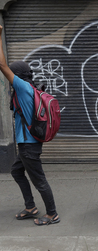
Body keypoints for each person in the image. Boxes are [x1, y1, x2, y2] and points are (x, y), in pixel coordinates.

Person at [0, 26, 60, 226]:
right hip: (27, 144)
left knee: (39, 180)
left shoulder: (23, 88)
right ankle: (31, 207)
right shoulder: (29, 88)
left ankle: (52, 214)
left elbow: (1, 64)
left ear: (17, 77)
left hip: (29, 145)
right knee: (17, 171)